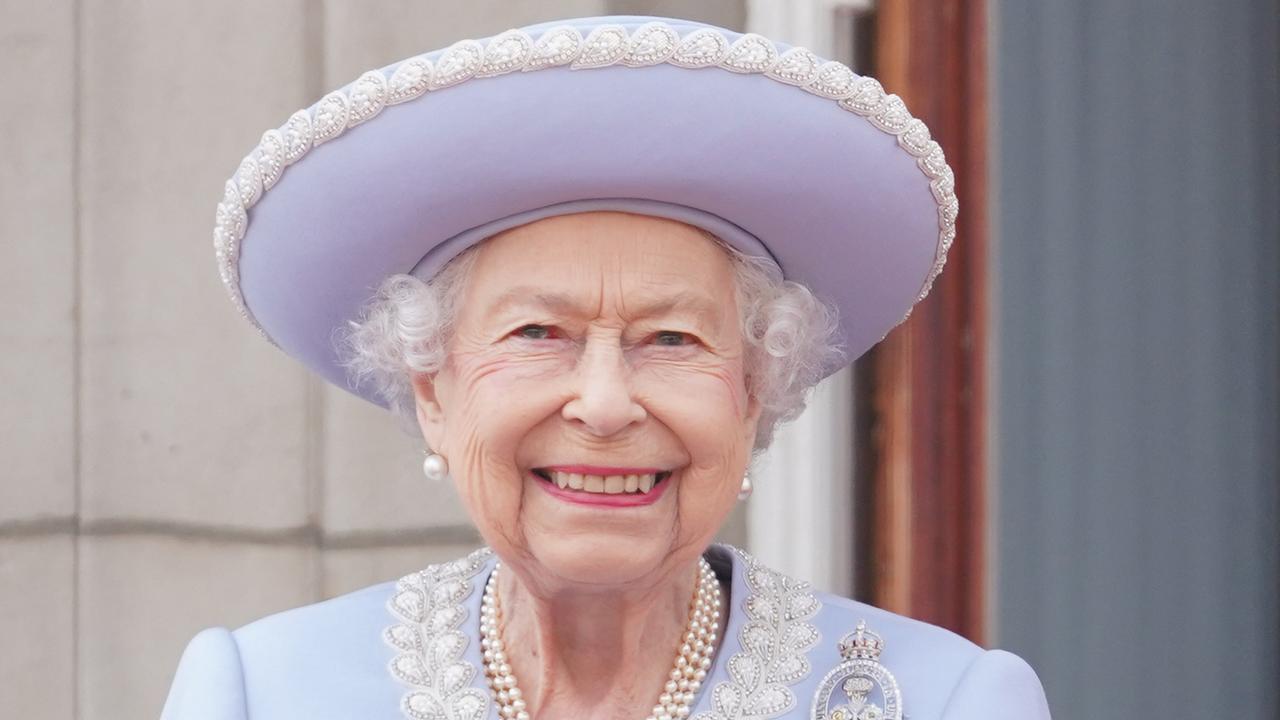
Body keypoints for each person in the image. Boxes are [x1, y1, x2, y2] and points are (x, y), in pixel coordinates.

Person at [167, 14, 1050, 720]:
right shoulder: (262, 694)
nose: (602, 403)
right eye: (537, 334)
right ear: (432, 389)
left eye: (671, 341)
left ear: (753, 394)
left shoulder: (944, 702)